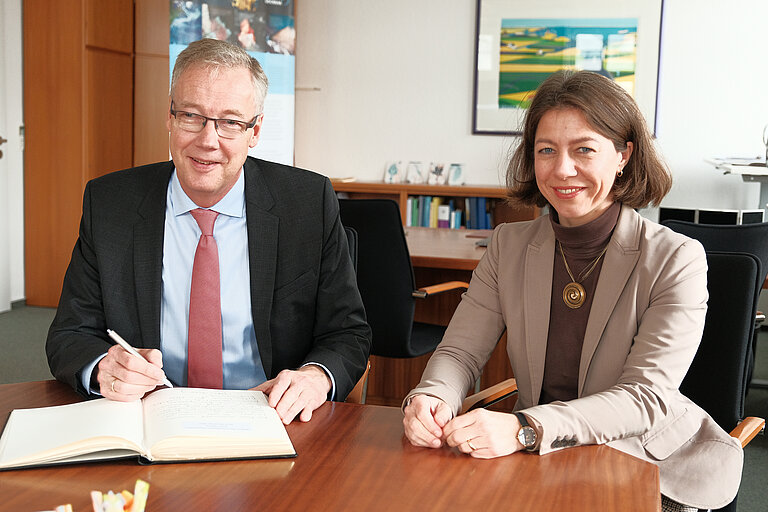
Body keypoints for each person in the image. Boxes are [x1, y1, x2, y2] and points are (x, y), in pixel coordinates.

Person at [402, 70, 742, 511]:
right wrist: (433, 396)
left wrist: (525, 428)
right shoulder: (508, 245)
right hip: (536, 460)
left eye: (584, 149)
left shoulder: (676, 258)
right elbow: (460, 353)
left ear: (623, 155)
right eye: (547, 151)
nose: (562, 169)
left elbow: (645, 398)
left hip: (643, 463)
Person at [46, 38, 371, 425]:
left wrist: (315, 378)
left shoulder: (306, 203)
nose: (207, 140)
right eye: (191, 115)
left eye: (230, 122)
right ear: (169, 117)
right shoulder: (110, 203)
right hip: (150, 418)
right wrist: (103, 368)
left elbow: (348, 332)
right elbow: (69, 333)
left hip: (271, 418)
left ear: (255, 131)